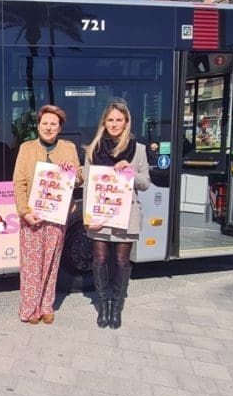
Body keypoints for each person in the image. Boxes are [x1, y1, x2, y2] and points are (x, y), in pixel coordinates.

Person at [12, 105, 83, 325]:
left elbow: (79, 179)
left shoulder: (68, 148)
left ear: (60, 128)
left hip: (57, 216)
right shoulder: (27, 149)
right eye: (45, 123)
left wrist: (72, 171)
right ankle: (29, 308)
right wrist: (24, 212)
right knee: (31, 265)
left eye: (54, 124)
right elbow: (19, 183)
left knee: (52, 263)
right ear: (38, 126)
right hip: (32, 216)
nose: (49, 127)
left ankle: (46, 306)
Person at [84, 99, 150, 329]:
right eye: (110, 120)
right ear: (104, 122)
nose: (114, 124)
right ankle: (103, 306)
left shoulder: (138, 149)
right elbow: (88, 185)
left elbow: (145, 183)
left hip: (126, 214)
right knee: (100, 260)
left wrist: (130, 171)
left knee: (122, 261)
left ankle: (116, 307)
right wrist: (88, 217)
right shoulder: (93, 149)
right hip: (100, 214)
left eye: (118, 120)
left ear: (126, 122)